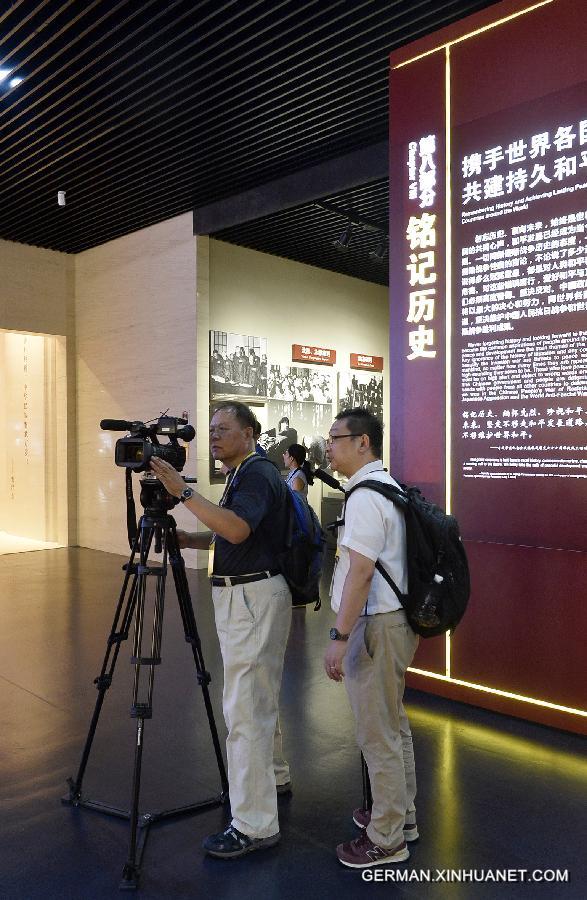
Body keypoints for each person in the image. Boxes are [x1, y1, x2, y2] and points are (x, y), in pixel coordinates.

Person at [149, 400, 292, 859]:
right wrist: (194, 538)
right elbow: (235, 530)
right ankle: (274, 776)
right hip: (252, 595)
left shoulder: (255, 473)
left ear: (250, 433)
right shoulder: (247, 474)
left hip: (251, 598)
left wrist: (183, 493)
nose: (213, 436)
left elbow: (237, 532)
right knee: (258, 696)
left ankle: (254, 824)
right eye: (211, 429)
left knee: (245, 710)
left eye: (224, 429)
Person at [323, 407, 419, 869]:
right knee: (394, 725)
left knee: (377, 733)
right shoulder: (388, 487)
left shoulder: (364, 496)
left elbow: (360, 572)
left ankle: (386, 838)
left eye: (336, 437)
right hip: (395, 623)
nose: (328, 446)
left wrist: (339, 637)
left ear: (363, 442)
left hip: (376, 626)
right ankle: (402, 817)